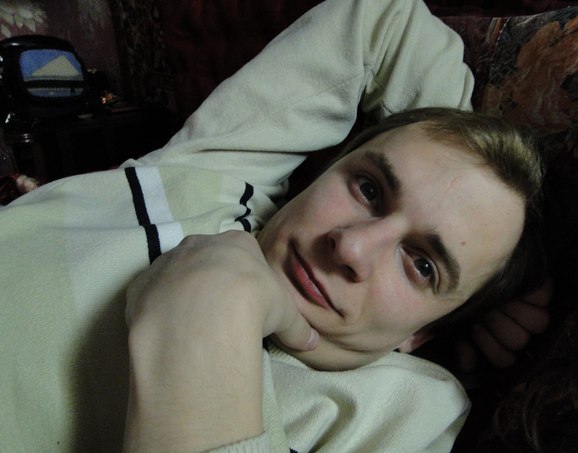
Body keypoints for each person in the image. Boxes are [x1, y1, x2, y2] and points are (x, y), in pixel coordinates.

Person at [0, 1, 547, 451]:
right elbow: (382, 19)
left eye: (422, 265)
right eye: (369, 189)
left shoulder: (410, 412)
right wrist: (458, 153)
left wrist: (208, 317)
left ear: (421, 335)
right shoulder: (218, 177)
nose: (351, 248)